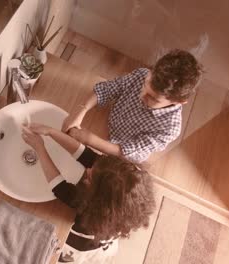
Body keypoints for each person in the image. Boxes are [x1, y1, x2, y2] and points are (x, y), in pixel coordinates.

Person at [22, 123, 156, 264]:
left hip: (81, 245)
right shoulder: (114, 175)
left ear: (96, 197)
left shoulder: (89, 208)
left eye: (90, 177)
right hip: (107, 234)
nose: (88, 170)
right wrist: (51, 131)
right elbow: (85, 155)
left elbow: (59, 187)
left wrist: (40, 149)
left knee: (66, 258)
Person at [62, 49, 203, 163]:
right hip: (107, 121)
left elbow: (129, 152)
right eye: (144, 86)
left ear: (178, 102)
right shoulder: (142, 74)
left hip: (116, 150)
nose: (142, 96)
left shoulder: (170, 128)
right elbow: (108, 89)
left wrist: (89, 139)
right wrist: (81, 110)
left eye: (153, 99)